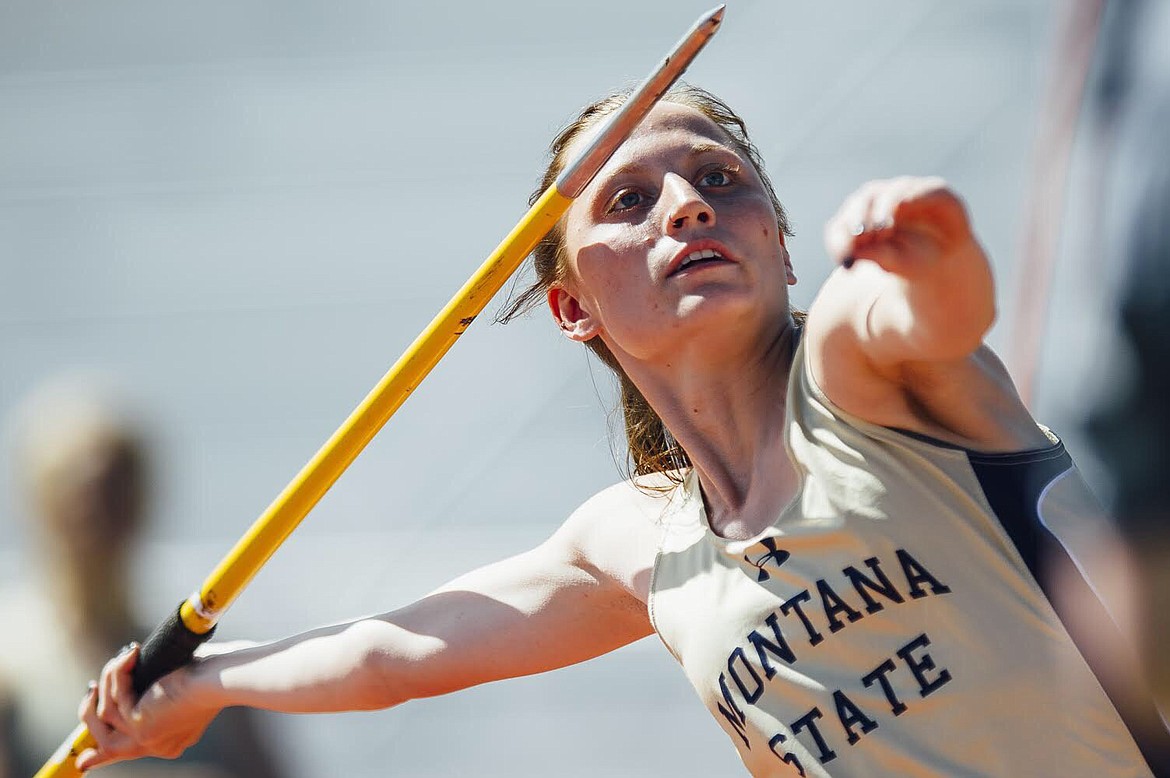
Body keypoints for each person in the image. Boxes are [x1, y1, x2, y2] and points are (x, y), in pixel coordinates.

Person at [73, 85, 1166, 777]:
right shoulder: (637, 542)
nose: (687, 204)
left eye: (720, 180)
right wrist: (202, 687)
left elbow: (938, 311)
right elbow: (391, 653)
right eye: (628, 199)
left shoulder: (860, 366)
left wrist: (929, 239)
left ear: (784, 246)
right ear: (572, 308)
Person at [0, 379, 283, 778]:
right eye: (81, 497)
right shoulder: (12, 671)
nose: (99, 517)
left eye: (116, 492)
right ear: (41, 503)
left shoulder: (205, 668)